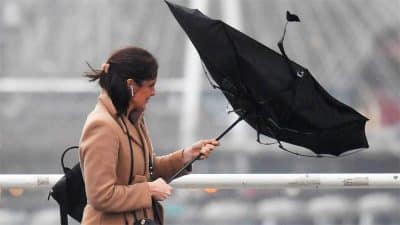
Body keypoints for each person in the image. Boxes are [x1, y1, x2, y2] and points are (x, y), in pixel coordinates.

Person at [79, 46, 219, 225]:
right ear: (131, 85)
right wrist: (148, 191)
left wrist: (186, 156)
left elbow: (147, 171)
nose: (154, 92)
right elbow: (100, 195)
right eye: (150, 85)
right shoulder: (102, 126)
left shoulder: (133, 119)